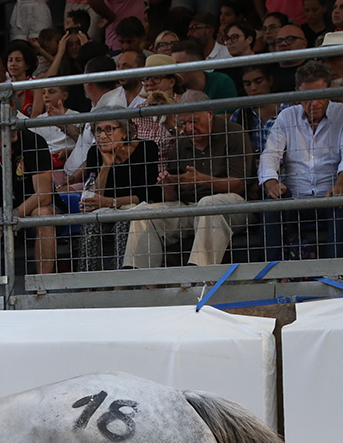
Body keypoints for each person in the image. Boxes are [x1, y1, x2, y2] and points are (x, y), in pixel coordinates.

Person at [122, 90, 254, 268]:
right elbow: (172, 200)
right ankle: (141, 283)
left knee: (208, 204)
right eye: (183, 123)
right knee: (143, 214)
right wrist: (168, 185)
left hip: (233, 205)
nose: (189, 128)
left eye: (194, 121)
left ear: (209, 114)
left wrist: (201, 179)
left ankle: (200, 277)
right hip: (189, 207)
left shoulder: (234, 133)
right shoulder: (181, 143)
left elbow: (239, 185)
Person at [258, 61, 343, 260]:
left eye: (320, 95)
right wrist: (272, 183)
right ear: (297, 94)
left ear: (328, 90)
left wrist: (341, 183)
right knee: (270, 206)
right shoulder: (286, 116)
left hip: (330, 194)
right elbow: (270, 154)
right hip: (294, 197)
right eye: (307, 97)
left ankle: (335, 273)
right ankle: (273, 272)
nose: (314, 103)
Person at [0, 96, 58, 274]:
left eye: (12, 120)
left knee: (42, 213)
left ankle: (43, 284)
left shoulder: (34, 141)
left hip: (32, 208)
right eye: (0, 124)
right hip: (1, 211)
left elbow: (43, 195)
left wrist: (11, 218)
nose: (10, 128)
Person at [75, 116, 161, 271]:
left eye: (109, 129)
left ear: (124, 132)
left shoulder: (146, 148)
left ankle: (121, 280)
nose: (102, 136)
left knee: (124, 223)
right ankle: (87, 283)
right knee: (89, 224)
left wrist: (110, 202)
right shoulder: (95, 152)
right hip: (107, 210)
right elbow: (96, 195)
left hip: (136, 207)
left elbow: (148, 192)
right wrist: (106, 165)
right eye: (98, 131)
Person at [171, 41, 237, 100]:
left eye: (178, 65)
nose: (174, 71)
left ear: (196, 66)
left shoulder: (221, 82)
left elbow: (225, 114)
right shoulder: (172, 87)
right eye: (172, 66)